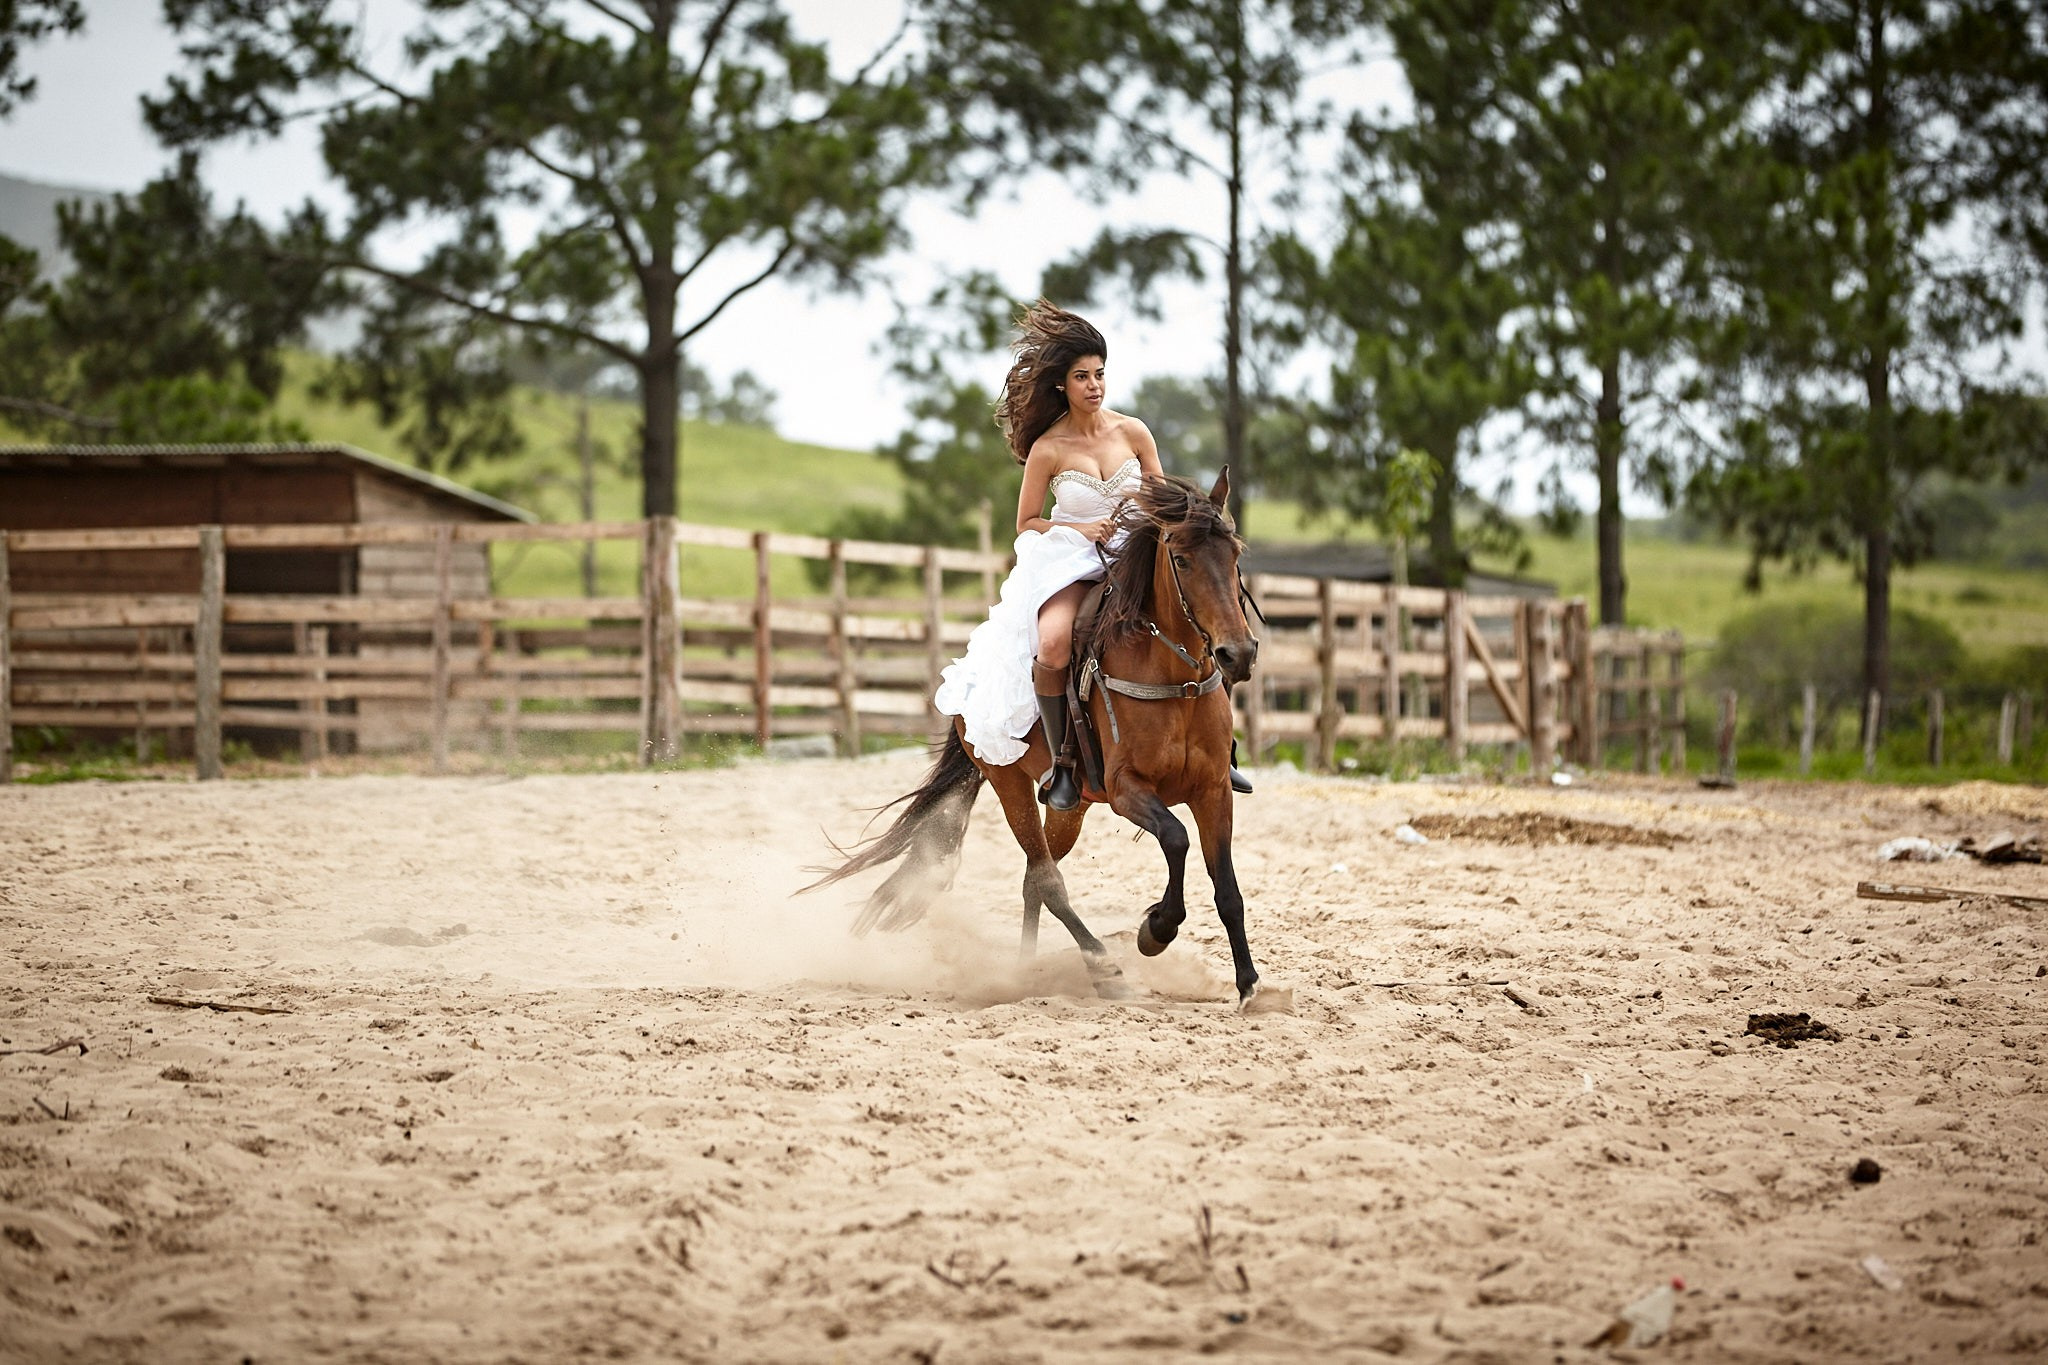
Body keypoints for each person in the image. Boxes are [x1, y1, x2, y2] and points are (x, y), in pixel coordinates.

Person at [933, 300, 1251, 809]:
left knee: (1204, 623)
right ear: (1062, 384)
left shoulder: (1134, 431)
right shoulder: (1049, 448)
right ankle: (1063, 765)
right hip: (1069, 560)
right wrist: (1079, 527)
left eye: (1100, 374)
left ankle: (1220, 753)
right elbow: (1026, 523)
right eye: (1081, 376)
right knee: (1056, 643)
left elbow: (1160, 501)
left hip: (1136, 557)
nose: (1094, 385)